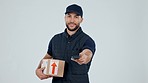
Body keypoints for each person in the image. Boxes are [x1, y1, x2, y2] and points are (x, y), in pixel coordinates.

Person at [35, 4, 96, 83]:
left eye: (76, 17)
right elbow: (47, 57)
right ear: (65, 18)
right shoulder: (55, 39)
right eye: (69, 16)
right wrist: (38, 70)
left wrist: (85, 56)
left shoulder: (87, 40)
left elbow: (88, 52)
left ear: (81, 20)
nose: (72, 20)